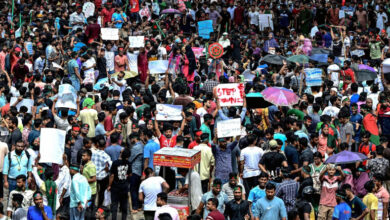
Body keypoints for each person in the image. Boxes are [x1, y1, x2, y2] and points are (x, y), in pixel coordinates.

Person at [107, 148, 132, 220]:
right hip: (124, 186)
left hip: (115, 187)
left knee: (114, 205)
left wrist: (109, 185)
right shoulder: (128, 163)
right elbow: (130, 174)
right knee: (124, 205)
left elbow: (112, 175)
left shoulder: (115, 163)